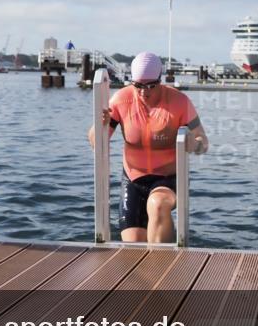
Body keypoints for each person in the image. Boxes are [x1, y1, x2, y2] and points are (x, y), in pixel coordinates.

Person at [88, 51, 208, 243]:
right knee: (133, 244)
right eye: (138, 86)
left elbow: (204, 144)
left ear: (160, 80)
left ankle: (163, 267)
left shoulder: (179, 102)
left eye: (151, 85)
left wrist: (194, 144)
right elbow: (96, 143)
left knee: (157, 204)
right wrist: (99, 125)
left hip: (168, 178)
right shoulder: (121, 100)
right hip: (133, 179)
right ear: (132, 82)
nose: (144, 92)